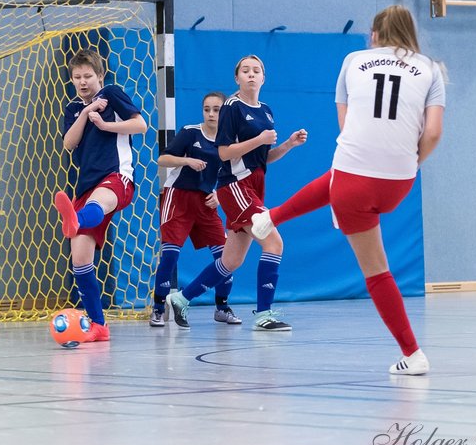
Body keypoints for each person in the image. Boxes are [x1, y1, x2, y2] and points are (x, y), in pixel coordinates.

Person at [249, 5, 445, 375]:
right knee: (343, 181)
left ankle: (413, 353)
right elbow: (433, 133)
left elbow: (346, 126)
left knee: (377, 271)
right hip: (401, 180)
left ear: (374, 35)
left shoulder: (354, 60)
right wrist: (410, 163)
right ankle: (270, 217)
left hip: (354, 176)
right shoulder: (430, 68)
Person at [167, 55, 307, 331]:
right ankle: (264, 314)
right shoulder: (231, 106)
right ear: (237, 78)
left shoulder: (265, 110)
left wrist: (288, 144)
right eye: (246, 70)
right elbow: (223, 153)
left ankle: (181, 298)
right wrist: (260, 139)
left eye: (257, 71)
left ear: (264, 78)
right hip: (235, 185)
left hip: (254, 185)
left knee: (231, 260)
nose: (251, 75)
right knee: (274, 243)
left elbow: (262, 158)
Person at [51, 48, 149, 342]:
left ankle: (76, 219)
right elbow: (69, 144)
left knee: (97, 204)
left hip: (117, 177)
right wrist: (85, 113)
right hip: (86, 184)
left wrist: (106, 124)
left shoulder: (111, 93)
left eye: (88, 76)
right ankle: (99, 327)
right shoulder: (73, 108)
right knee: (80, 261)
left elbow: (140, 124)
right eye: (77, 77)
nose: (83, 82)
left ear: (100, 76)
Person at [149, 92, 241, 327]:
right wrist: (186, 161)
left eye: (217, 109)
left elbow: (236, 176)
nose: (211, 114)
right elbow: (163, 159)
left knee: (226, 257)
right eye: (207, 109)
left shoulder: (230, 143)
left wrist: (219, 196)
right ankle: (158, 308)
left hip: (205, 203)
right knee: (170, 255)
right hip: (178, 197)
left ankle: (222, 307)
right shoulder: (191, 133)